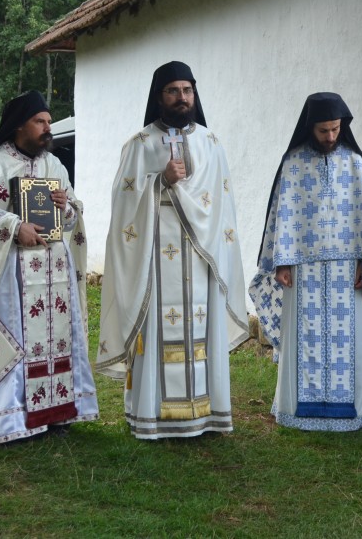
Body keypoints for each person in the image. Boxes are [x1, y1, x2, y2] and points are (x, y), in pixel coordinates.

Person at [97, 61, 249, 439]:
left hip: (201, 259)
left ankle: (207, 414)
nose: (182, 97)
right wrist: (159, 181)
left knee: (203, 330)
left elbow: (222, 208)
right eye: (173, 91)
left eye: (187, 90)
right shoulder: (139, 144)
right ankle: (152, 416)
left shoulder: (211, 143)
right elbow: (123, 205)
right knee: (156, 334)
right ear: (159, 96)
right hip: (154, 261)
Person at [0, 90, 98, 444]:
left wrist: (66, 208)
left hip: (54, 270)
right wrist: (15, 226)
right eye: (40, 122)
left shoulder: (54, 165)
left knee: (58, 339)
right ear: (19, 125)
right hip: (11, 272)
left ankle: (58, 410)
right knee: (15, 338)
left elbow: (72, 213)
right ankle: (12, 420)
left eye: (49, 121)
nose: (48, 128)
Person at [250, 92, 362, 431]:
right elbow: (282, 215)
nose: (330, 137)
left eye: (335, 129)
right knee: (304, 338)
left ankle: (357, 411)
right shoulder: (293, 163)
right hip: (303, 269)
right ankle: (296, 410)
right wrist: (281, 263)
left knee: (350, 341)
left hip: (348, 270)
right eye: (323, 131)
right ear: (309, 128)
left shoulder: (355, 162)